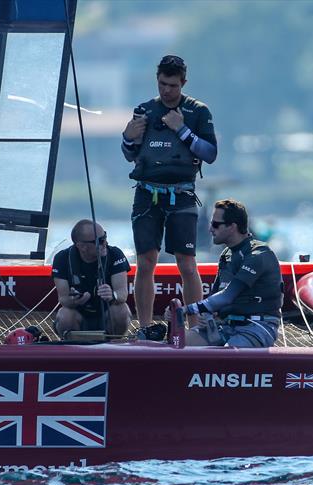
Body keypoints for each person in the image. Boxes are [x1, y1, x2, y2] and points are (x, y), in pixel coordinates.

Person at [121, 54, 217, 336]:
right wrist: (128, 137)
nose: (166, 91)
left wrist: (182, 130)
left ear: (183, 83)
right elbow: (130, 155)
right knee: (146, 263)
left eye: (173, 85)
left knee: (187, 264)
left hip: (182, 194)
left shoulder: (199, 112)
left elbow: (210, 154)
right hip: (147, 194)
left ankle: (195, 327)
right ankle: (145, 327)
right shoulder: (144, 110)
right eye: (162, 84)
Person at [172, 199, 283, 348]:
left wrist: (186, 310)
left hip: (257, 327)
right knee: (179, 344)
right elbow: (214, 297)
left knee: (225, 355)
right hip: (226, 326)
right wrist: (208, 315)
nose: (210, 229)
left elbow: (227, 296)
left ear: (232, 227)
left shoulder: (259, 255)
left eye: (216, 224)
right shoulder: (226, 254)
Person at [52, 220, 132, 336]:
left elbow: (122, 294)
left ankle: (113, 347)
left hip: (106, 313)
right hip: (79, 315)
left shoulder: (115, 254)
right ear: (82, 246)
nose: (105, 242)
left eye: (105, 236)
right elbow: (63, 299)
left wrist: (112, 295)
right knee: (65, 315)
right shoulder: (62, 258)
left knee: (121, 311)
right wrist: (74, 300)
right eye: (100, 241)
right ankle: (73, 348)